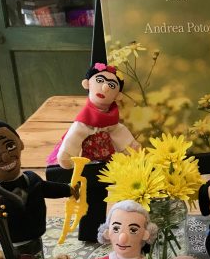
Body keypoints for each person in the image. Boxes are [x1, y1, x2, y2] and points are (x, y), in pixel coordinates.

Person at [47, 63, 140, 242]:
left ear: (118, 95)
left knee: (120, 196)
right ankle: (90, 233)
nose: (105, 87)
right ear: (87, 84)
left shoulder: (113, 121)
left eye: (111, 85)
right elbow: (74, 137)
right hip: (88, 163)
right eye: (100, 81)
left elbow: (119, 132)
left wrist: (131, 147)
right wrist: (67, 156)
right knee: (91, 199)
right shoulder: (83, 121)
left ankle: (120, 228)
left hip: (110, 162)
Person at [0, 120, 76, 257]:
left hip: (37, 236)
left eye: (10, 146)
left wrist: (68, 190)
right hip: (12, 244)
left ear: (20, 144)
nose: (6, 157)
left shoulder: (32, 181)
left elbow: (48, 188)